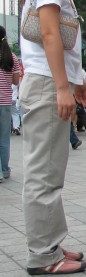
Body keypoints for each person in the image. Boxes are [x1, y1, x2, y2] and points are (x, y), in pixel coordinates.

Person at [18, 0, 86, 274]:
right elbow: (49, 33)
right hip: (46, 85)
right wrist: (63, 87)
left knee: (50, 170)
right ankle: (43, 255)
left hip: (48, 83)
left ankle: (51, 244)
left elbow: (58, 38)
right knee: (44, 172)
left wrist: (75, 83)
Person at [0, 26, 21, 183]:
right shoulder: (11, 57)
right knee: (4, 139)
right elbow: (16, 81)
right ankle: (5, 170)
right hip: (6, 102)